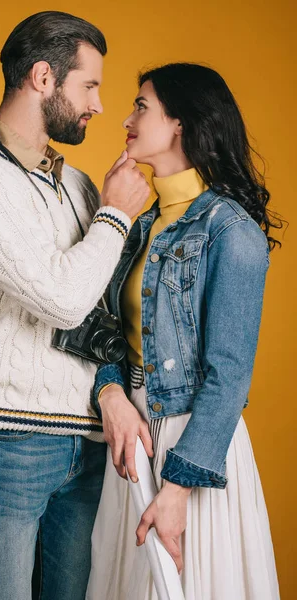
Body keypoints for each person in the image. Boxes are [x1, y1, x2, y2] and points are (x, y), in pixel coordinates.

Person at [0, 11, 150, 600]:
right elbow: (64, 301)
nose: (100, 106)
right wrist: (117, 214)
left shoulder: (79, 186)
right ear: (44, 78)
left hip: (89, 443)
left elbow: (103, 316)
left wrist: (108, 390)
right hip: (9, 442)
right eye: (90, 86)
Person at [87, 63, 281, 600]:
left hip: (193, 452)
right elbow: (98, 328)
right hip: (131, 442)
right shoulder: (140, 225)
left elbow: (229, 377)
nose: (126, 117)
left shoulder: (232, 230)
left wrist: (178, 486)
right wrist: (111, 394)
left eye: (141, 106)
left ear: (180, 122)